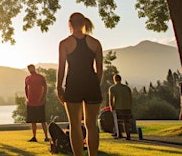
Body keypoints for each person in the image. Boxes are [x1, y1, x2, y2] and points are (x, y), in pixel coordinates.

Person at [57, 12, 103, 156]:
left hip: (73, 85)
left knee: (75, 125)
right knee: (92, 125)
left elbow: (62, 68)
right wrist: (96, 85)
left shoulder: (64, 43)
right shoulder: (95, 43)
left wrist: (59, 87)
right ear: (84, 23)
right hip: (92, 84)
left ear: (70, 24)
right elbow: (100, 69)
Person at [25, 64, 49, 142]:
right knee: (33, 121)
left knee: (43, 120)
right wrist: (27, 98)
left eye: (31, 68)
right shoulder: (27, 78)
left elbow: (45, 87)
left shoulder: (40, 77)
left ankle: (46, 137)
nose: (30, 70)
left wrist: (42, 98)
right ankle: (34, 137)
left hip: (40, 103)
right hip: (31, 103)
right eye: (29, 69)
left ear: (34, 68)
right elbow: (26, 88)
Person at [108, 74, 133, 140]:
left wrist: (111, 106)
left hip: (118, 107)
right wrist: (130, 105)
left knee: (118, 121)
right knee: (126, 121)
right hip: (127, 107)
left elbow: (111, 98)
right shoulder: (127, 88)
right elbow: (130, 97)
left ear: (114, 80)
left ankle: (119, 134)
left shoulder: (112, 88)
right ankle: (128, 135)